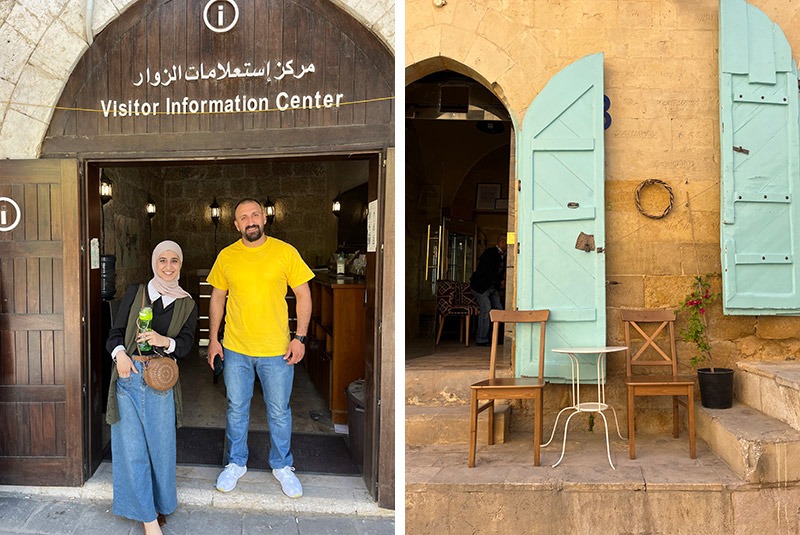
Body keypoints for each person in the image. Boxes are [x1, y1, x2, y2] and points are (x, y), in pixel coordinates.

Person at [206, 198, 314, 498]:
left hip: (277, 349)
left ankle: (282, 465)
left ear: (264, 219)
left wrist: (300, 337)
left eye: (255, 215)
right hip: (236, 348)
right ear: (236, 224)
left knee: (279, 411)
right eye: (243, 217)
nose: (250, 220)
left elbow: (303, 295)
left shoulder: (285, 252)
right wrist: (214, 339)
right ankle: (236, 462)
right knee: (236, 408)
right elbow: (217, 298)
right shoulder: (227, 256)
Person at [105, 240, 197, 535]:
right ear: (154, 263)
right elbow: (115, 333)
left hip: (160, 382)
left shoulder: (187, 303)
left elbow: (185, 346)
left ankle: (159, 504)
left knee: (160, 451)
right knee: (131, 449)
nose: (168, 267)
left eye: (174, 261)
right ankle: (147, 519)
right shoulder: (137, 292)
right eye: (162, 261)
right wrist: (119, 355)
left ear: (180, 266)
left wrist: (163, 341)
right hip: (129, 377)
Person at [470, 234, 507, 346]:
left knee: (499, 310)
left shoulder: (504, 255)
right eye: (508, 244)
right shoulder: (490, 253)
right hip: (481, 287)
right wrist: (499, 282)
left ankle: (494, 337)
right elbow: (487, 271)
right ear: (502, 242)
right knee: (486, 309)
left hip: (491, 287)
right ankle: (481, 339)